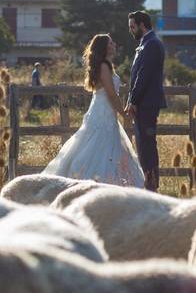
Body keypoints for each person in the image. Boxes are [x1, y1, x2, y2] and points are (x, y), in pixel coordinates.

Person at [41, 34, 144, 187]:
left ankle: (115, 184)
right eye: (111, 43)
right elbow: (111, 93)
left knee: (108, 148)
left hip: (106, 112)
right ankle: (94, 183)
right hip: (102, 111)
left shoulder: (107, 65)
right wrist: (124, 114)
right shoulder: (103, 66)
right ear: (104, 47)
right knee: (97, 146)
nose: (114, 44)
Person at [125, 10, 167, 192]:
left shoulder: (152, 44)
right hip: (142, 103)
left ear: (142, 25)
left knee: (147, 144)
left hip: (147, 103)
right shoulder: (145, 43)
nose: (131, 31)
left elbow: (143, 75)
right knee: (143, 144)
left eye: (132, 27)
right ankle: (148, 182)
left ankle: (152, 184)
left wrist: (133, 100)